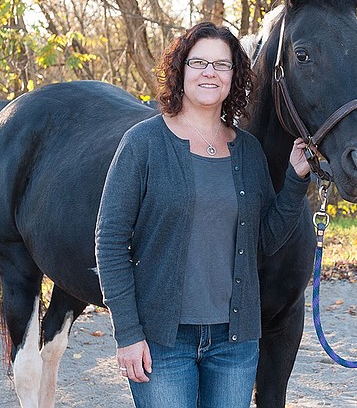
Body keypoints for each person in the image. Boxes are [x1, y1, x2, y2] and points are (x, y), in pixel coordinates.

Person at [95, 21, 311, 408]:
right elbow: (110, 243)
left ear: (234, 77)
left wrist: (295, 181)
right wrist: (127, 333)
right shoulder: (144, 143)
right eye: (199, 63)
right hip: (162, 342)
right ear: (181, 72)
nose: (210, 72)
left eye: (221, 64)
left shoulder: (247, 151)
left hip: (235, 342)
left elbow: (263, 240)